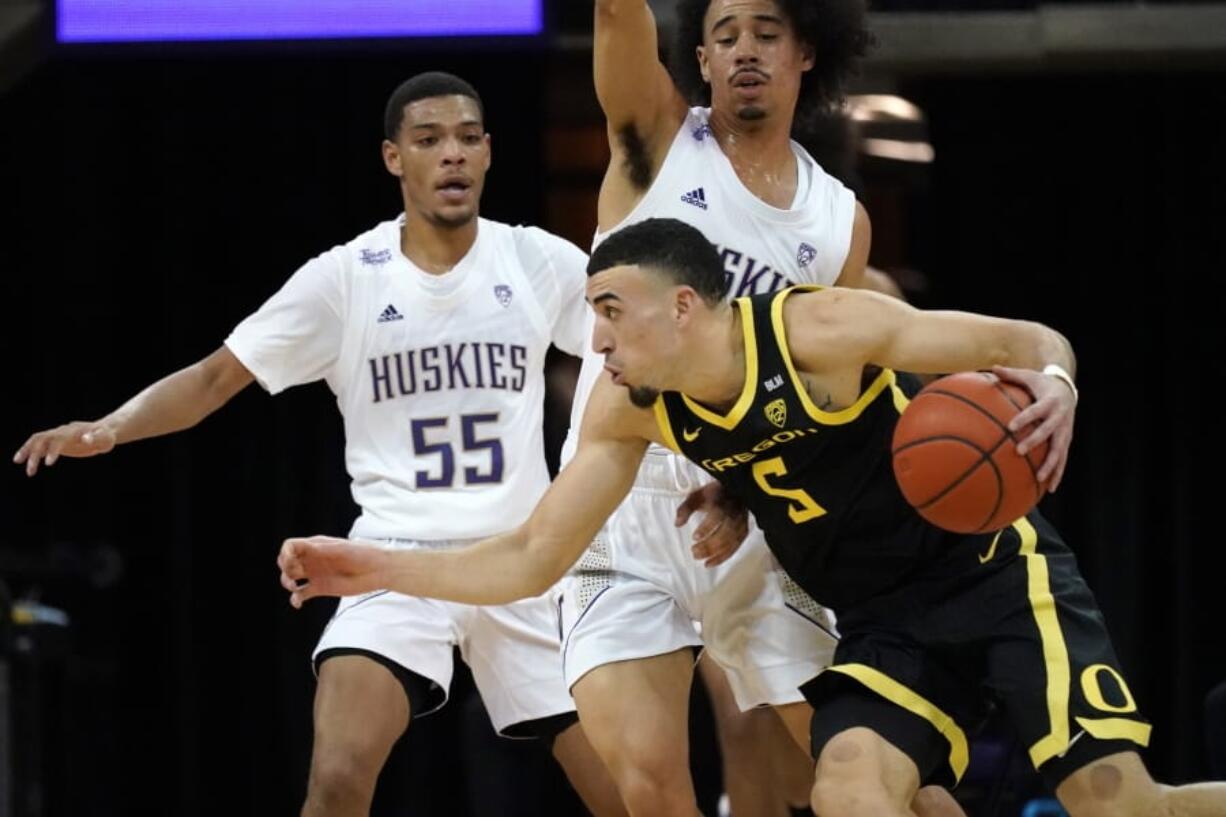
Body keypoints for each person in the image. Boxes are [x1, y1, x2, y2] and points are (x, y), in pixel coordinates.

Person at [279, 217, 1226, 817]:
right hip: (885, 620)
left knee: (1121, 804)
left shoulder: (815, 330)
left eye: (611, 310)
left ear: (683, 306)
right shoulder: (635, 403)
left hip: (991, 571)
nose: (594, 338)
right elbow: (533, 554)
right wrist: (373, 566)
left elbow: (1019, 338)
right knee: (850, 791)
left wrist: (1056, 381)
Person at [13, 72, 625, 817]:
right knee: (336, 776)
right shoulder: (345, 279)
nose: (452, 155)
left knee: (633, 792)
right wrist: (112, 426)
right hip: (394, 560)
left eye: (467, 138)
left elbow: (635, 352)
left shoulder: (538, 261)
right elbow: (212, 379)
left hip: (522, 558)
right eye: (429, 140)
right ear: (394, 157)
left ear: (490, 152)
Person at [570, 0, 960, 814]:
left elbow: (812, 391)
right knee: (648, 784)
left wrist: (745, 492)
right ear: (700, 59)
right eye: (724, 35)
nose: (745, 50)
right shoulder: (656, 136)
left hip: (751, 509)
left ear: (806, 52)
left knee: (867, 774)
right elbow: (614, 13)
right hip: (619, 497)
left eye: (766, 33)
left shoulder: (838, 222)